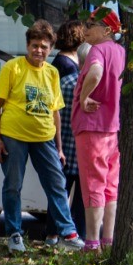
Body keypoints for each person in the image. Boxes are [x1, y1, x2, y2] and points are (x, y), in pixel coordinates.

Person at [0, 19, 85, 253]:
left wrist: (60, 148)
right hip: (13, 135)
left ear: (51, 48)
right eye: (34, 45)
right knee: (13, 184)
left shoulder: (52, 73)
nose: (39, 50)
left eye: (44, 46)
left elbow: (56, 113)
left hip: (44, 138)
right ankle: (14, 233)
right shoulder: (13, 68)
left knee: (57, 184)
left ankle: (67, 232)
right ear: (27, 45)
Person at [72, 8, 125, 252]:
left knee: (93, 183)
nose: (85, 28)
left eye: (91, 25)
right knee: (109, 184)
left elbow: (95, 72)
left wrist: (84, 97)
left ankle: (92, 243)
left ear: (106, 30)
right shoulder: (120, 51)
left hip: (92, 126)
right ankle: (108, 240)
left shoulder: (98, 50)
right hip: (111, 128)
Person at [53, 19, 87, 235]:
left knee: (61, 188)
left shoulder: (60, 63)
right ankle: (66, 232)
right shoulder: (68, 69)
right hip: (68, 140)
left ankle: (56, 233)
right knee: (66, 188)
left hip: (63, 138)